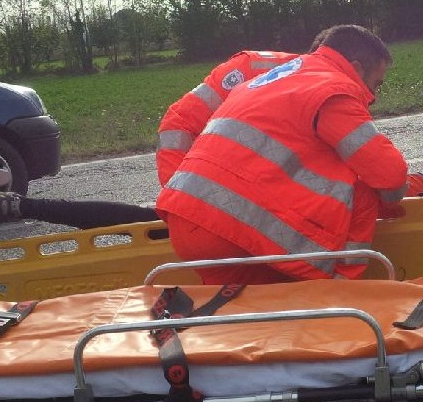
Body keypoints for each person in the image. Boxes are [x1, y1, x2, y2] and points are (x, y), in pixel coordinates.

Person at [154, 24, 409, 285]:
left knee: (241, 314)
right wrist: (389, 201)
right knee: (362, 190)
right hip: (237, 233)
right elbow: (390, 177)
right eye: (376, 84)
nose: (374, 97)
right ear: (355, 68)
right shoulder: (333, 88)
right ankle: (341, 289)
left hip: (187, 227)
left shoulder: (262, 81)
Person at [0, 46, 309, 228]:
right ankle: (23, 206)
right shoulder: (311, 83)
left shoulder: (285, 68)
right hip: (191, 144)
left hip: (192, 141)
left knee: (158, 220)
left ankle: (19, 206)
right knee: (165, 223)